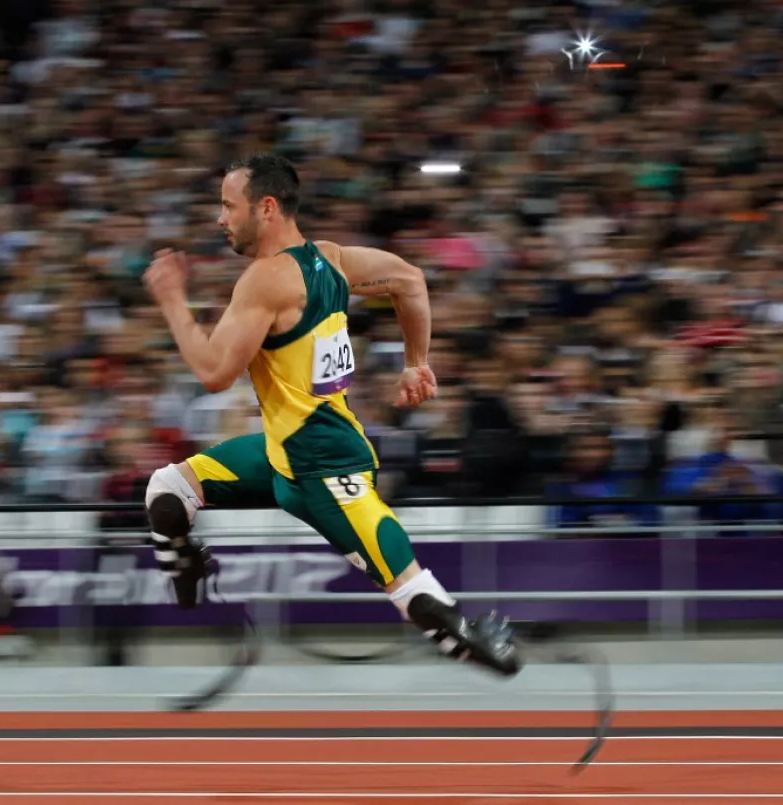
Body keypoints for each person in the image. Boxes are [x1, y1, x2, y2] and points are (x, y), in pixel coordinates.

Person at [140, 153, 520, 677]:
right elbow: (409, 280)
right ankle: (185, 573)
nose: (220, 218)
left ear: (266, 207)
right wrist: (416, 363)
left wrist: (171, 300)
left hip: (322, 464)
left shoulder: (265, 281)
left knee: (407, 583)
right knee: (167, 489)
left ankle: (470, 639)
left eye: (228, 206)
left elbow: (213, 372)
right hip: (283, 451)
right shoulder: (332, 260)